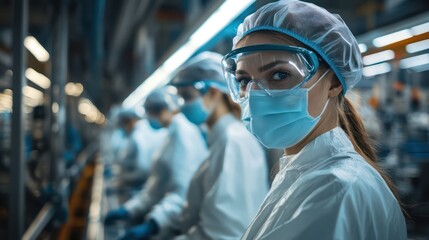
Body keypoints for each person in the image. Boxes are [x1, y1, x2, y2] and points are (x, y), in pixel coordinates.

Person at [221, 1, 407, 239]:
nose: (255, 95)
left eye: (280, 74)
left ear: (334, 82)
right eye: (244, 80)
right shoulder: (305, 171)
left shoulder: (335, 188)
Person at [170, 52, 269, 239]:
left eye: (187, 96)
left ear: (214, 92)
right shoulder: (222, 138)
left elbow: (223, 233)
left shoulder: (233, 141)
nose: (182, 105)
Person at [105, 87, 208, 240]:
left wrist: (154, 223)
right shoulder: (171, 132)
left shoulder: (182, 133)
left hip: (180, 218)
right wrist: (130, 209)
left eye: (152, 112)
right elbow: (157, 184)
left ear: (164, 109)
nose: (149, 117)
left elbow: (183, 190)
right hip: (172, 213)